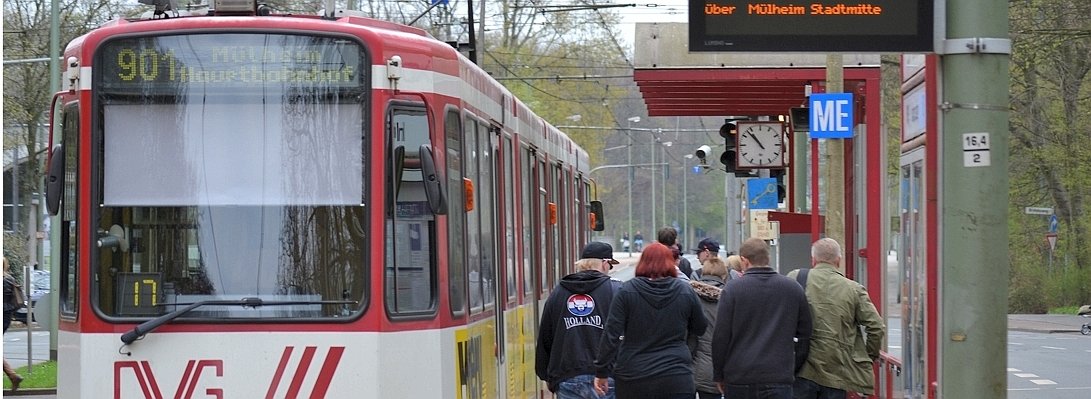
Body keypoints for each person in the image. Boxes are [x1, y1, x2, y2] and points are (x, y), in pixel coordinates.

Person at [593, 243, 707, 399]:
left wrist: (601, 371)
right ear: (670, 263)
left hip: (633, 375)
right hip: (676, 374)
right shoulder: (684, 291)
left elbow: (611, 334)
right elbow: (700, 327)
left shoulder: (627, 291)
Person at [711, 238, 812, 399]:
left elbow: (721, 336)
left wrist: (719, 374)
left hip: (739, 376)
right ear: (768, 258)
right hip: (779, 376)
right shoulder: (793, 289)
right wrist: (793, 368)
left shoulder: (733, 290)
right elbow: (805, 335)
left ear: (744, 260)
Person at [787, 238, 885, 399]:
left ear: (813, 260)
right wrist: (867, 356)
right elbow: (876, 326)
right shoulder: (854, 289)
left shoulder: (795, 277)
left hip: (802, 368)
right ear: (838, 260)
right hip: (838, 371)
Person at [536, 241, 622, 399]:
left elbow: (546, 336)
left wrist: (546, 374)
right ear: (604, 264)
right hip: (607, 377)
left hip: (567, 377)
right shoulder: (615, 291)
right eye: (610, 265)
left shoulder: (559, 292)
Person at [688, 256, 729, 399]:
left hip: (688, 367)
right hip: (715, 371)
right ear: (724, 276)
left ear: (702, 273)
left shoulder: (688, 295)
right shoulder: (729, 299)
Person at [2, 257, 24, 391]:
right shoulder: (10, 279)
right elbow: (16, 300)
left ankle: (13, 375)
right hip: (6, 316)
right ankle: (12, 376)